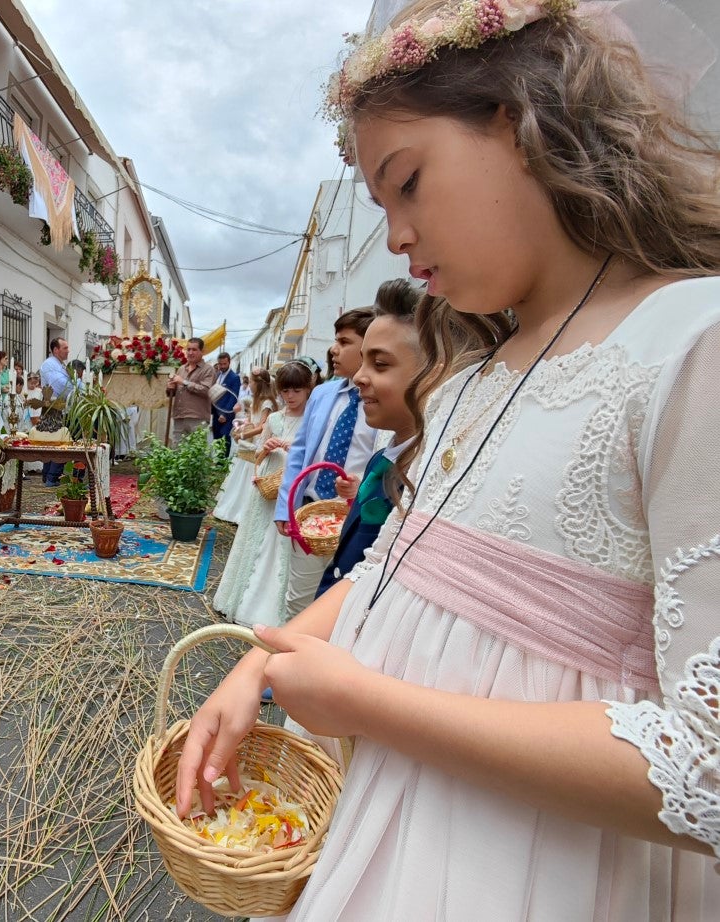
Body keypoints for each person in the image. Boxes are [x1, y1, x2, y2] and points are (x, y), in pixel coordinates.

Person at [177, 2, 720, 918]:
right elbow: (402, 565)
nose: (394, 235)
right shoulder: (474, 376)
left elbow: (703, 766)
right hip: (396, 824)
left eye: (409, 183)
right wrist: (257, 666)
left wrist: (371, 704)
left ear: (519, 124)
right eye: (379, 205)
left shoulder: (688, 343)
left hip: (542, 869)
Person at [317, 280, 423, 597]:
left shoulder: (424, 479)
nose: (360, 377)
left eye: (379, 364)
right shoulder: (383, 458)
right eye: (362, 361)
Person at [273, 308, 380, 618]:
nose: (334, 350)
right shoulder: (322, 394)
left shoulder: (382, 401)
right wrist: (286, 506)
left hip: (353, 521)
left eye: (344, 342)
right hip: (311, 513)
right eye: (336, 340)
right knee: (298, 600)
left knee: (339, 608)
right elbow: (300, 452)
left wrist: (360, 488)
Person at [213, 359, 317, 625]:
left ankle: (277, 610)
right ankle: (244, 600)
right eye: (285, 391)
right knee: (257, 539)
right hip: (268, 483)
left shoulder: (314, 420)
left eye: (296, 391)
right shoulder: (273, 418)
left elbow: (315, 457)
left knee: (282, 545)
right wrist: (267, 447)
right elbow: (257, 453)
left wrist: (290, 446)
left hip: (293, 488)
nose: (290, 397)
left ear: (308, 389)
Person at [213, 367, 278, 524]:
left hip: (257, 443)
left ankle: (242, 511)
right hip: (249, 440)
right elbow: (250, 419)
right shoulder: (255, 399)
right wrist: (240, 426)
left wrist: (243, 435)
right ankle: (234, 507)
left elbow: (262, 426)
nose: (249, 385)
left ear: (258, 384)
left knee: (248, 474)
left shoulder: (267, 402)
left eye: (251, 381)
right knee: (240, 473)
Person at [165, 336, 216, 444]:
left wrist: (183, 382)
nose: (190, 352)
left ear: (202, 352)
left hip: (197, 417)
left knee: (197, 455)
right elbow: (174, 392)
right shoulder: (181, 369)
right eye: (188, 349)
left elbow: (206, 390)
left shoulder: (208, 369)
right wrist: (171, 388)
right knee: (177, 452)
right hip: (179, 416)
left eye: (194, 349)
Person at [38, 337, 72, 486]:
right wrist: (78, 387)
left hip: (59, 407)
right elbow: (62, 387)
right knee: (59, 443)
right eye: (65, 348)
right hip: (54, 408)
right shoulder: (50, 365)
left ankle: (49, 476)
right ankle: (52, 477)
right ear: (56, 350)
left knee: (54, 442)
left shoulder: (59, 364)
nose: (68, 350)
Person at [211, 351, 242, 449]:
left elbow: (233, 397)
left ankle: (224, 464)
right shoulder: (217, 375)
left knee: (224, 441)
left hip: (226, 415)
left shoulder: (234, 377)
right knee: (216, 439)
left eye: (224, 364)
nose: (222, 366)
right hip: (216, 413)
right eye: (220, 364)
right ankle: (219, 463)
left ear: (229, 362)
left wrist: (224, 414)